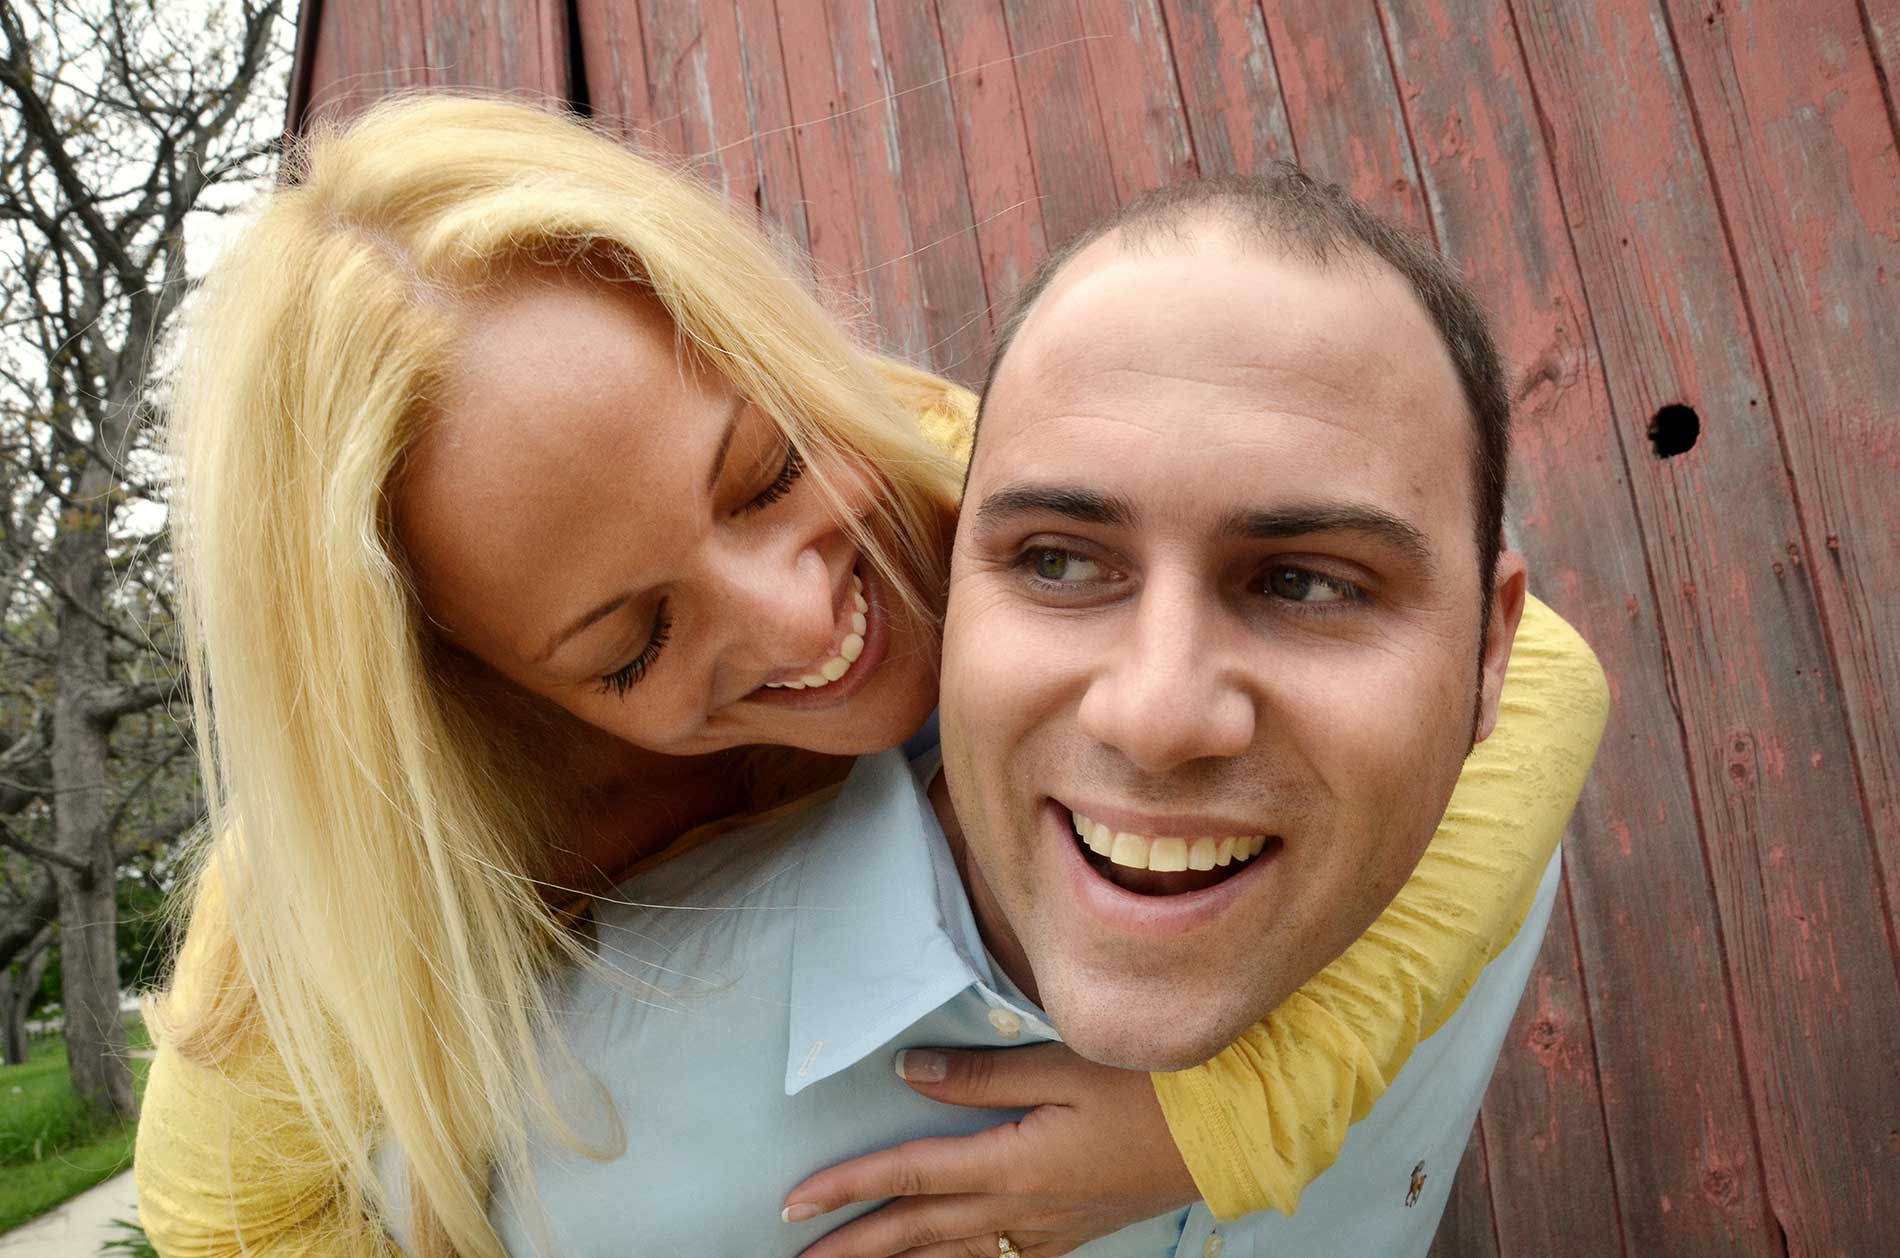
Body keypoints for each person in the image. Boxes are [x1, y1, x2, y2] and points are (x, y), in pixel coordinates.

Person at [134, 95, 1604, 1258]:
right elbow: (227, 1222)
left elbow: (1534, 673)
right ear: (480, 681)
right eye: (631, 640)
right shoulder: (336, 901)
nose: (794, 617)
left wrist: (1225, 1115)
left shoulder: (952, 477)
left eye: (768, 469)